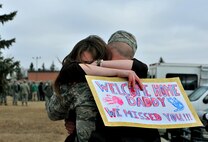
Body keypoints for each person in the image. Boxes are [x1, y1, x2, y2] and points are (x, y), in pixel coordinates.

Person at [46, 35, 143, 142]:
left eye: (91, 63)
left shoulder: (120, 82)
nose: (88, 68)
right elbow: (53, 113)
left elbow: (140, 67)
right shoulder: (74, 82)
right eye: (83, 64)